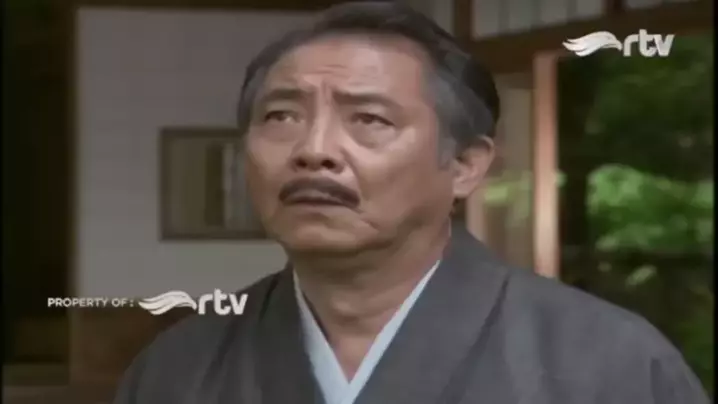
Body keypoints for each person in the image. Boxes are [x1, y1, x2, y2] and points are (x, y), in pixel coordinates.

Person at [113, 2, 710, 403]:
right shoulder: (179, 366)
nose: (313, 150)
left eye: (369, 119)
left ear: (466, 165)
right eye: (281, 117)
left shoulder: (607, 363)